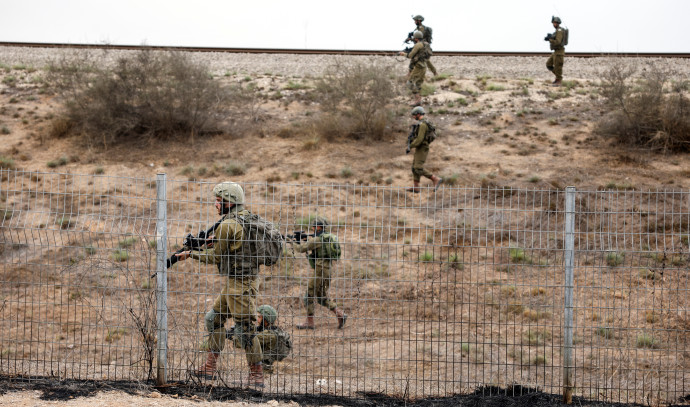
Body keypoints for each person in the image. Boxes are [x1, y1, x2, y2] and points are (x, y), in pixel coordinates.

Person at [174, 181, 265, 387]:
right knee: (213, 319)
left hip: (241, 286)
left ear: (229, 202)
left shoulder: (227, 224)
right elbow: (233, 246)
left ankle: (257, 375)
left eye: (218, 201)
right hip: (238, 283)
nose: (215, 204)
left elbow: (217, 258)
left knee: (245, 329)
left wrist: (190, 254)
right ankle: (209, 367)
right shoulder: (246, 217)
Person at [294, 217, 347, 330]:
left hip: (319, 271)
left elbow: (300, 249)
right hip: (327, 270)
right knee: (322, 296)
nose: (312, 229)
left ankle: (310, 322)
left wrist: (291, 241)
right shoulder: (326, 238)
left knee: (308, 294)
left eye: (313, 227)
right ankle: (340, 314)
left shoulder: (317, 240)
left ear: (318, 227)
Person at [406, 106, 442, 192]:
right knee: (414, 167)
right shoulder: (420, 123)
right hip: (420, 147)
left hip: (422, 147)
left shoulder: (423, 125)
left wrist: (410, 146)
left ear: (418, 114)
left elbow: (419, 140)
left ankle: (435, 178)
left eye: (414, 115)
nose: (413, 117)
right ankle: (416, 186)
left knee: (418, 167)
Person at [250, 305, 292, 374]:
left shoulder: (267, 334)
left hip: (263, 370)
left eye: (259, 317)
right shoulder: (274, 330)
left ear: (266, 319)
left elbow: (248, 342)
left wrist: (233, 336)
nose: (257, 320)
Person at [399, 30, 431, 107]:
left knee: (409, 83)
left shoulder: (417, 45)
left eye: (414, 38)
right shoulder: (425, 44)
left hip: (418, 67)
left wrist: (403, 54)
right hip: (424, 66)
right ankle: (418, 100)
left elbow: (410, 55)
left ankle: (417, 100)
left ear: (416, 38)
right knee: (418, 84)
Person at [545, 16, 566, 86]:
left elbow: (558, 42)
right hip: (556, 51)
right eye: (553, 23)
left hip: (559, 51)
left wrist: (550, 40)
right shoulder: (557, 31)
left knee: (558, 66)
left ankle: (559, 80)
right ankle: (558, 78)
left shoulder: (559, 31)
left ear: (557, 23)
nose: (553, 24)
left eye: (554, 23)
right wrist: (550, 37)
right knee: (548, 64)